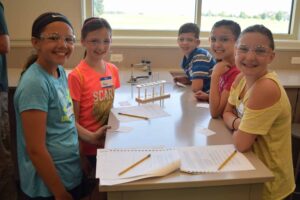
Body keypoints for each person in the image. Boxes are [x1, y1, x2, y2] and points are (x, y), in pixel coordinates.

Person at [14, 12, 96, 200]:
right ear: (36, 43)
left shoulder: (59, 71)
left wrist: (90, 138)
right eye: (53, 38)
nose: (63, 45)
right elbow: (36, 149)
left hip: (69, 173)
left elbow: (66, 120)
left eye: (69, 39)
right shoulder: (35, 84)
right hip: (48, 188)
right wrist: (59, 192)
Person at [223, 24, 295, 200]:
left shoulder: (266, 87)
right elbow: (226, 111)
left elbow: (241, 143)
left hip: (269, 184)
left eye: (260, 51)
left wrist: (237, 127)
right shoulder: (241, 78)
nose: (250, 57)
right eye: (243, 49)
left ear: (271, 56)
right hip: (249, 168)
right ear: (235, 52)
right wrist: (239, 124)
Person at [68, 17, 120, 171]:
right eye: (94, 41)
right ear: (83, 41)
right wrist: (80, 154)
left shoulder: (113, 70)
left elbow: (111, 107)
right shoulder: (76, 76)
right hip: (89, 147)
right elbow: (72, 122)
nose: (101, 46)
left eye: (106, 41)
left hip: (108, 141)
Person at [195, 20, 241, 118]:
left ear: (238, 42)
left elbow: (215, 113)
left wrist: (215, 75)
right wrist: (208, 96)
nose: (217, 44)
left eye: (224, 39)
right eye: (213, 39)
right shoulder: (223, 64)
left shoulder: (236, 72)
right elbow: (224, 97)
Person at [174, 23, 216, 93]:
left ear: (197, 42)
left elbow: (197, 88)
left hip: (211, 95)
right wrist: (187, 80)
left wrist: (194, 83)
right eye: (181, 39)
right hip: (205, 93)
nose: (185, 43)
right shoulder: (188, 58)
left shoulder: (200, 57)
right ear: (177, 41)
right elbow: (201, 78)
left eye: (189, 40)